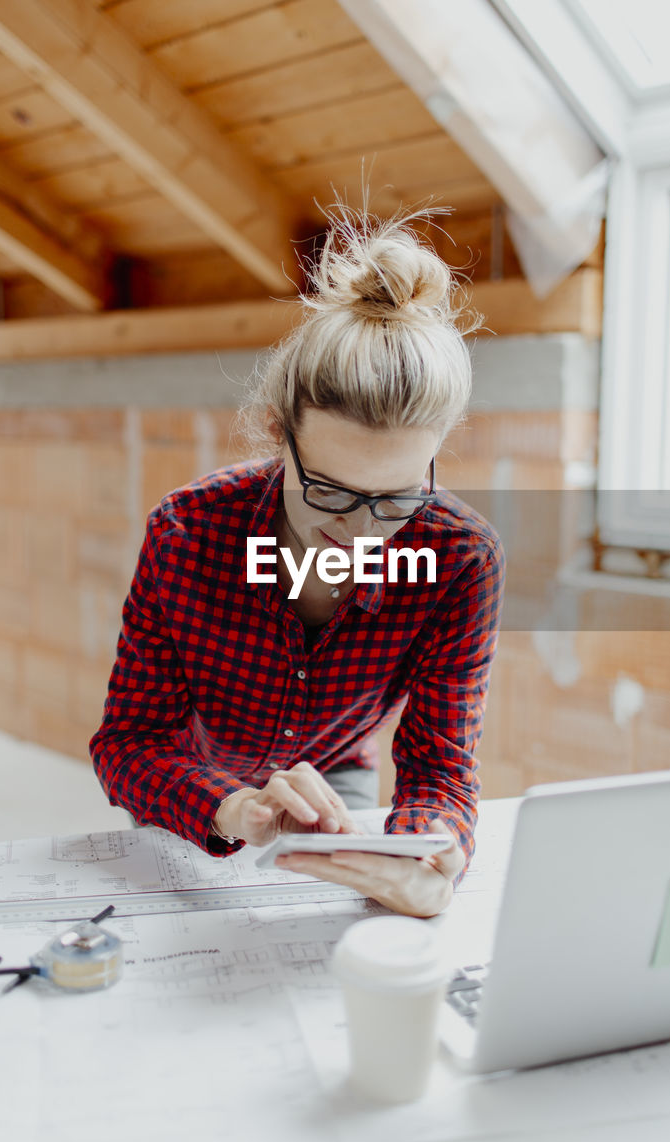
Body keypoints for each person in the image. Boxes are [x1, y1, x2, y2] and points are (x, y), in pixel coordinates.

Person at [89, 206, 505, 918]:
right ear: (281, 436)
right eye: (330, 492)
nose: (363, 533)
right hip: (194, 783)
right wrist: (231, 809)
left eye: (397, 497)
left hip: (335, 776)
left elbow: (440, 769)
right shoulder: (189, 533)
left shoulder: (458, 560)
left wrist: (430, 851)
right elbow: (129, 743)